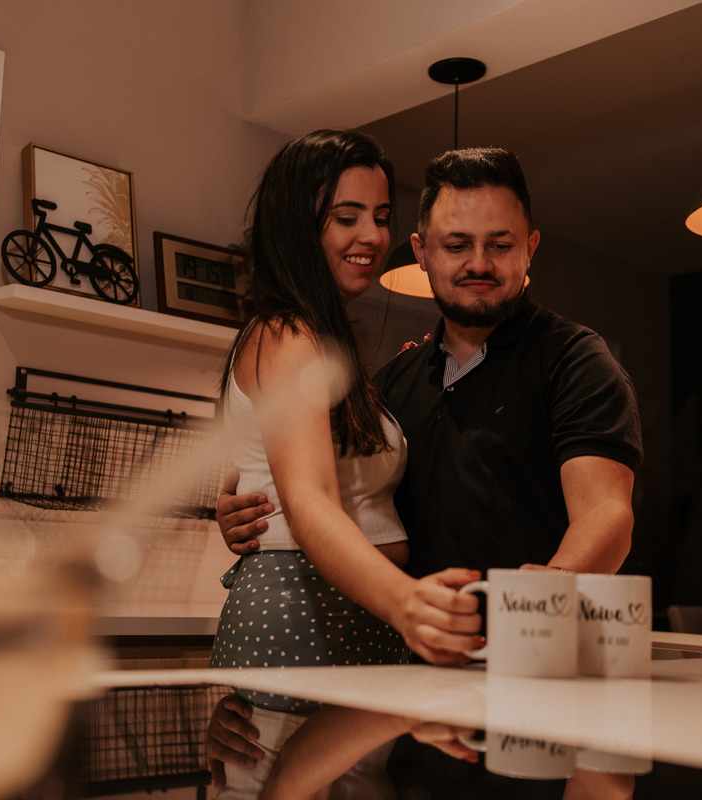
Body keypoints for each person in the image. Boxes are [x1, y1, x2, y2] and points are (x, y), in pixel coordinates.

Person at [209, 146, 643, 794]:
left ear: (531, 246)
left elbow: (608, 510)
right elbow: (315, 496)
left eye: (499, 244)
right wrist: (249, 511)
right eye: (457, 243)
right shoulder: (393, 378)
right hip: (406, 684)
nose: (477, 263)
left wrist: (542, 599)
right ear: (423, 251)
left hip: (529, 684)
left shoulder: (575, 358)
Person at [206, 129, 482, 799]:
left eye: (382, 217)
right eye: (345, 216)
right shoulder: (291, 334)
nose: (370, 236)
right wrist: (409, 602)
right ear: (300, 224)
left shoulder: (315, 341)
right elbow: (309, 504)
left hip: (335, 617)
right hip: (309, 615)